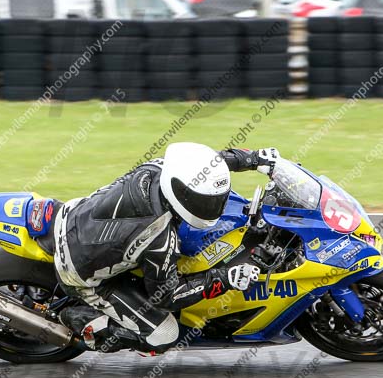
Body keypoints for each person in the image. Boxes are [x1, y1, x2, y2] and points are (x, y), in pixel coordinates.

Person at [54, 142, 280, 354]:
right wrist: (224, 278)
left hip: (75, 215)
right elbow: (167, 296)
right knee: (164, 335)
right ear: (182, 195)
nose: (215, 207)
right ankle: (82, 321)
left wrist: (252, 159)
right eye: (206, 202)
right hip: (81, 273)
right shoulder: (156, 236)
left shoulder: (162, 168)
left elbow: (209, 166)